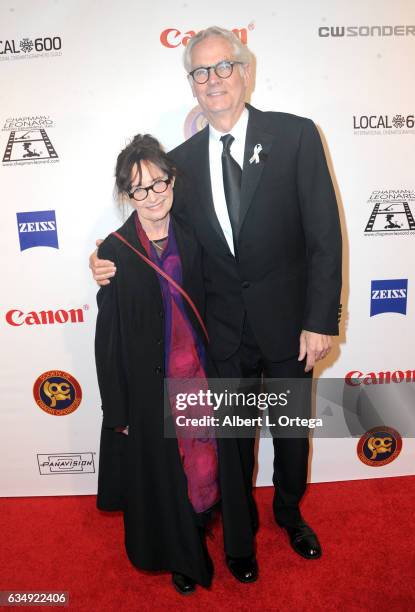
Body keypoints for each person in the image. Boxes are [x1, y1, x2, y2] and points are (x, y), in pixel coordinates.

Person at [91, 26, 342, 581]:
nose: (214, 80)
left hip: (290, 329)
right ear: (192, 84)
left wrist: (321, 319)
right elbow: (153, 228)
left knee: (290, 434)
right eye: (201, 72)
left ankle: (289, 511)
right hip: (220, 335)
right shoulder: (177, 163)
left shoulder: (296, 136)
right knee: (231, 446)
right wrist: (106, 257)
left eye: (223, 67)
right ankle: (239, 540)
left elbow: (325, 233)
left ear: (244, 70)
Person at [95, 134, 220, 595]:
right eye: (139, 189)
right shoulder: (116, 250)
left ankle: (202, 527)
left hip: (200, 379)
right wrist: (118, 408)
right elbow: (107, 337)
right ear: (126, 195)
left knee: (203, 466)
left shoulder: (194, 234)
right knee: (169, 474)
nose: (152, 196)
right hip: (151, 388)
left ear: (172, 180)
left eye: (159, 183)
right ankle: (183, 554)